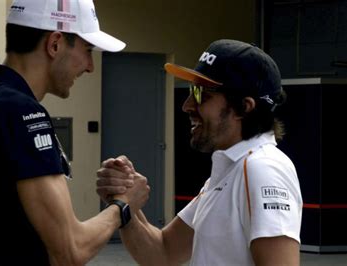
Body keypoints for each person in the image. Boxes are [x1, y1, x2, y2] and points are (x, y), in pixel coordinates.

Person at [0, 0, 149, 265]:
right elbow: (70, 250)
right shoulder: (20, 113)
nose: (90, 66)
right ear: (55, 44)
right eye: (87, 49)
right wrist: (124, 205)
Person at [96, 39, 303, 266]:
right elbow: (162, 253)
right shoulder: (231, 170)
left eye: (201, 95)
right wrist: (125, 202)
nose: (187, 105)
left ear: (244, 107)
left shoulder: (262, 169)